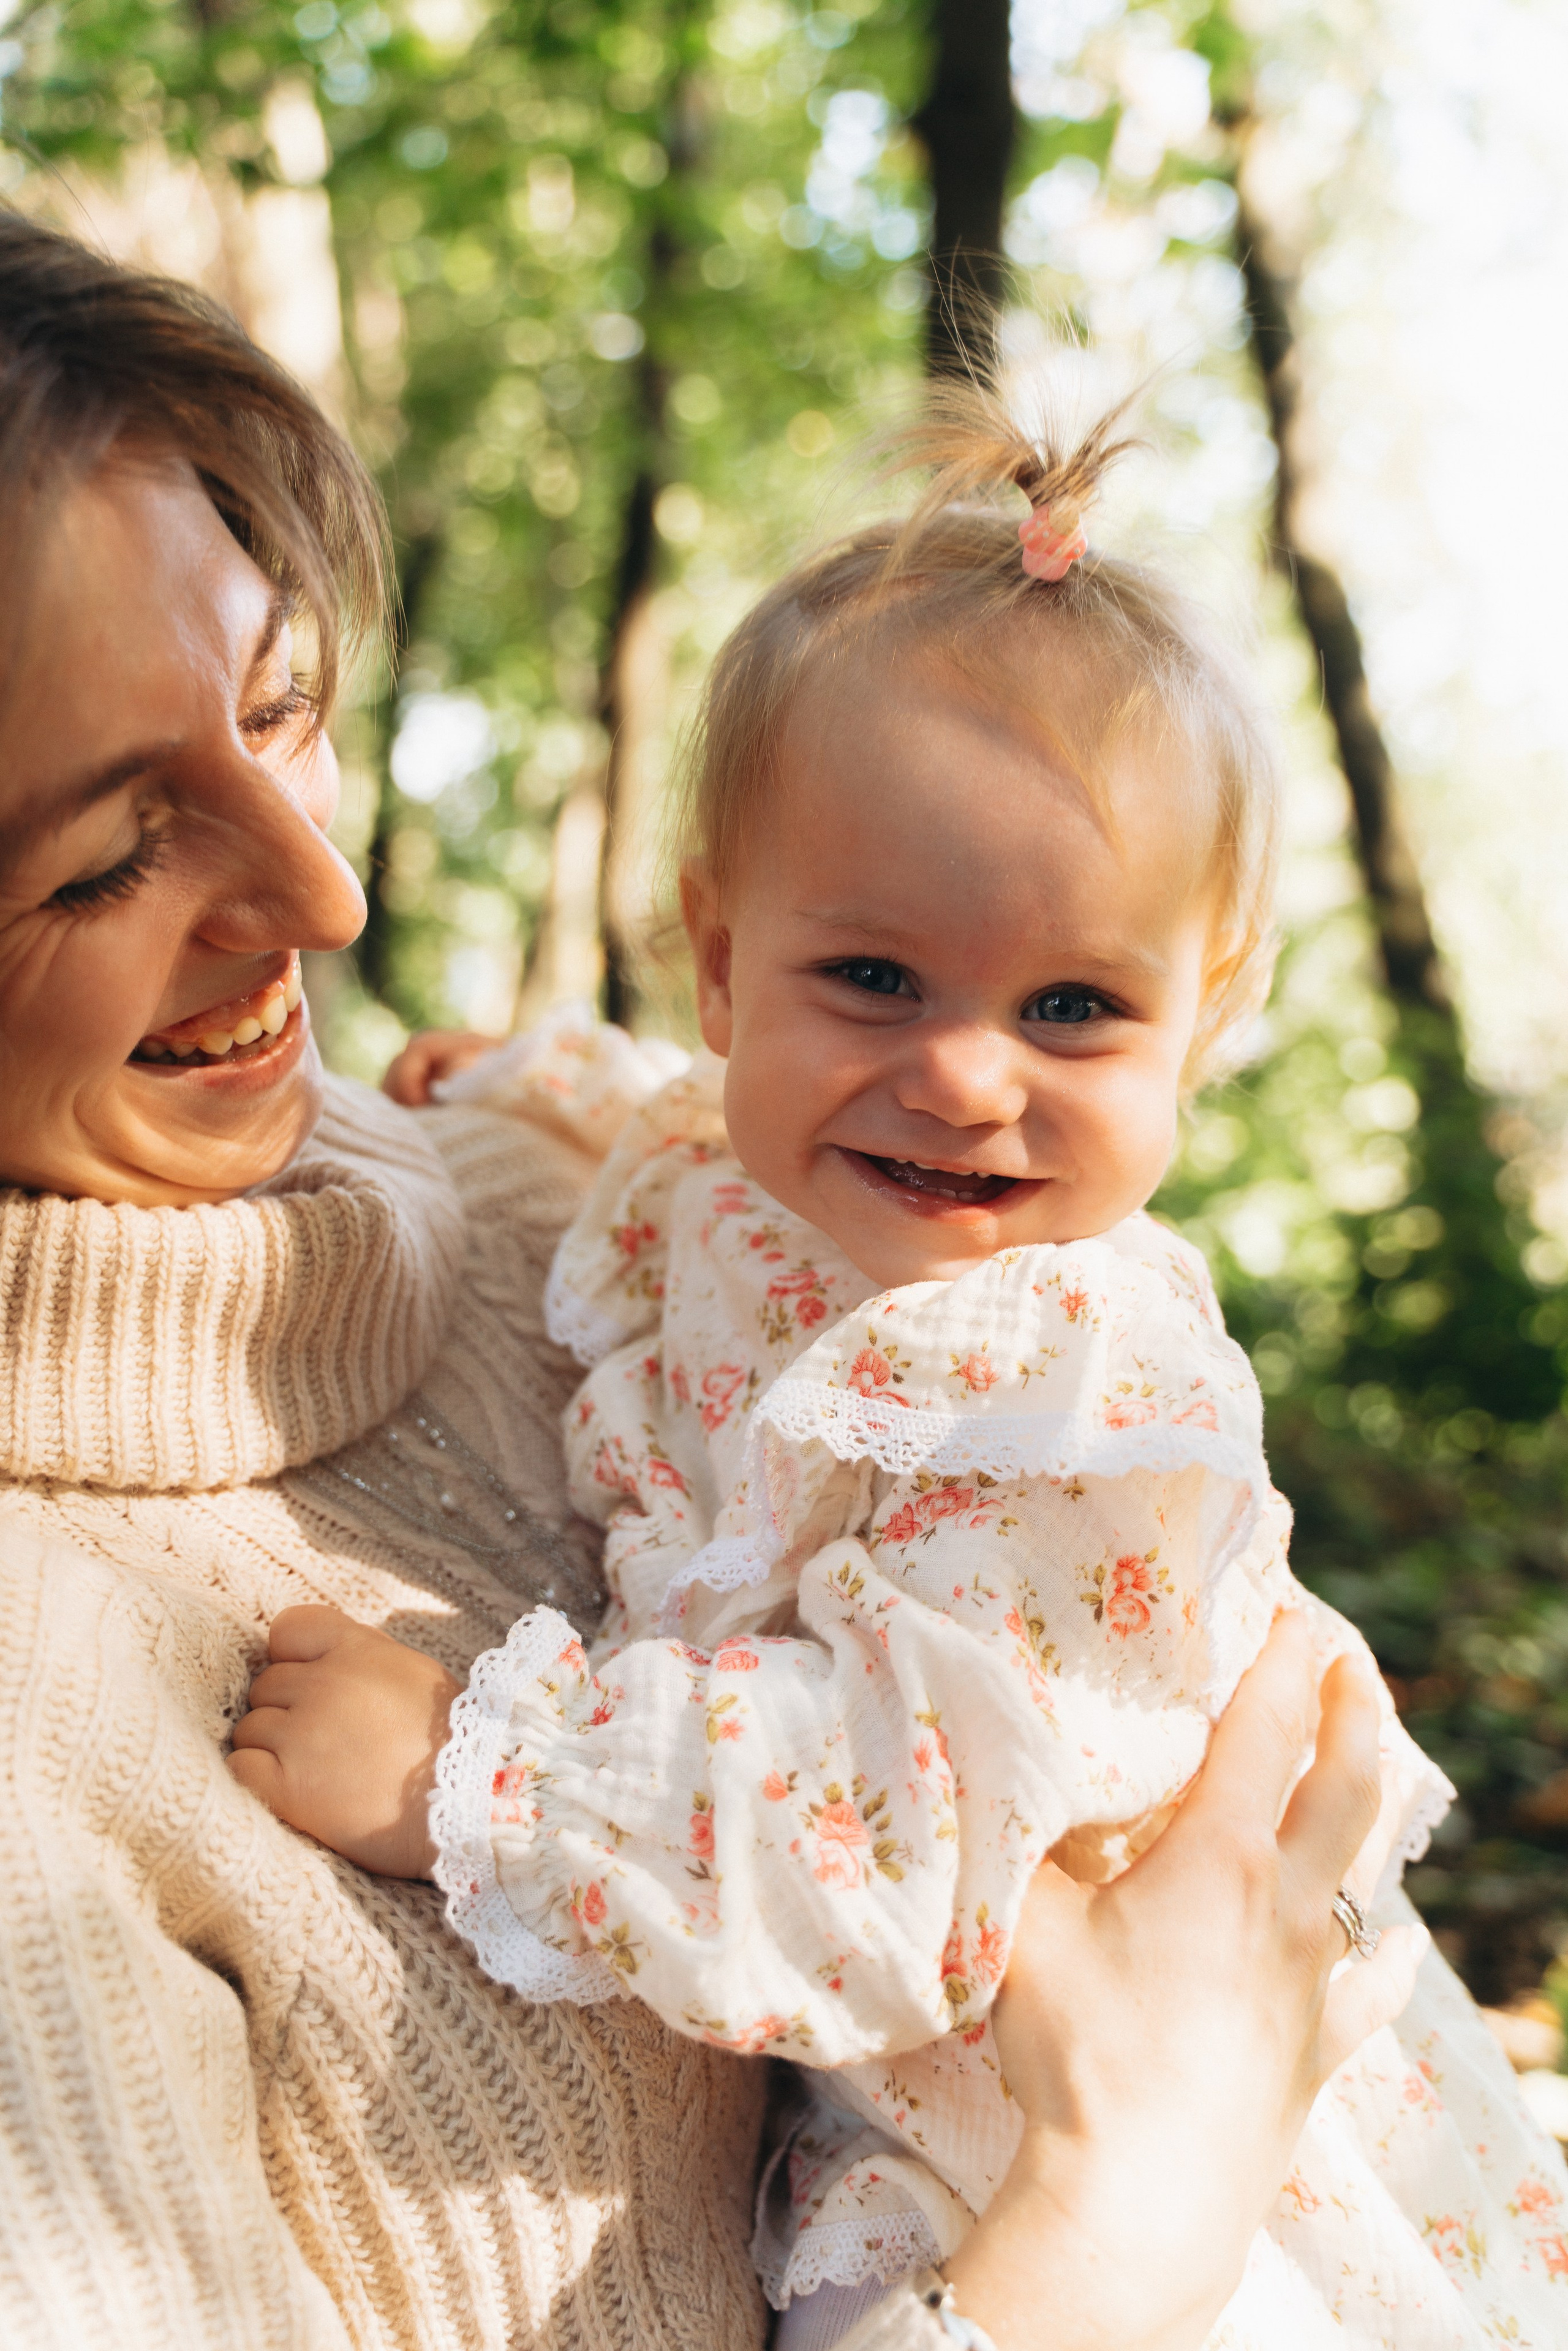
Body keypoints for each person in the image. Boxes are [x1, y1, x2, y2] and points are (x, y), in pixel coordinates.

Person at [0, 206, 1435, 2351]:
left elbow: (907, 1821)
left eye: (285, 704)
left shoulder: (1049, 1382)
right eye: (104, 854)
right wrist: (1115, 2237)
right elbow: (696, 1125)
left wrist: (482, 1777)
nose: (328, 894)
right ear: (722, 954)